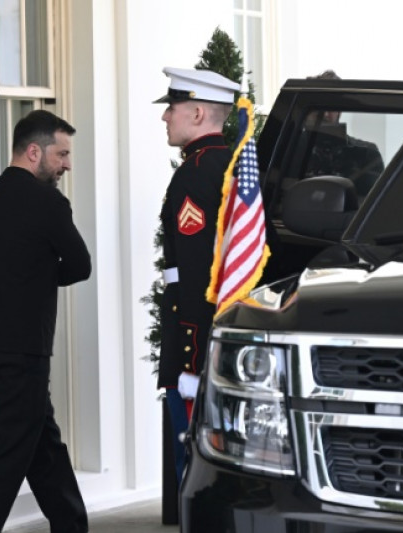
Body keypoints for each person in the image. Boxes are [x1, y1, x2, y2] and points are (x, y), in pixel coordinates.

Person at [0, 109, 91, 533]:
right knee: (6, 455)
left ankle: (71, 524)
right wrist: (40, 276)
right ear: (34, 151)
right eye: (62, 154)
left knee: (42, 444)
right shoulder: (48, 201)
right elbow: (80, 265)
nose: (67, 163)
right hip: (25, 350)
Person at [152, 67, 239, 484]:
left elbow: (195, 269)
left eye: (172, 108)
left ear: (199, 113)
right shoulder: (232, 163)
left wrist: (189, 353)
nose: (165, 117)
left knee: (194, 465)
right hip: (223, 327)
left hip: (196, 333)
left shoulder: (195, 172)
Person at [302, 70, 385, 197]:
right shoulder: (288, 153)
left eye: (330, 106)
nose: (324, 114)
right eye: (318, 107)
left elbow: (376, 202)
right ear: (304, 112)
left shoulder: (366, 153)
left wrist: (351, 171)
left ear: (339, 111)